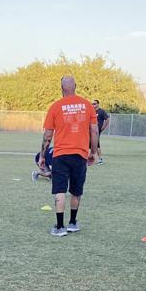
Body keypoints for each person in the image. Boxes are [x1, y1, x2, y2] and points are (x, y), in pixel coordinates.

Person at [39, 76, 98, 237]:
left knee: (59, 190)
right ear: (75, 86)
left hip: (61, 155)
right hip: (80, 154)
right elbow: (94, 130)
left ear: (61, 88)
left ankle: (59, 227)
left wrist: (42, 156)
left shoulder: (55, 106)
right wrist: (93, 152)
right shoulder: (87, 105)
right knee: (76, 190)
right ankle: (72, 223)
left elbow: (48, 135)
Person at [92, 99, 109, 164]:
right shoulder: (91, 111)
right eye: (92, 104)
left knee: (97, 144)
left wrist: (103, 127)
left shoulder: (101, 111)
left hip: (97, 131)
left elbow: (107, 119)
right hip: (91, 130)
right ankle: (91, 158)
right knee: (89, 144)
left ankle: (100, 159)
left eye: (94, 103)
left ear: (98, 104)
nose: (93, 105)